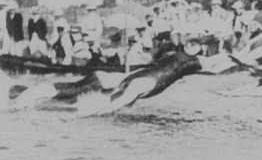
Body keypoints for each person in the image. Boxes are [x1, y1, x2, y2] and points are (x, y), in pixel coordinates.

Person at [11, 40, 241, 112]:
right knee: (68, 94)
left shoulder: (173, 61)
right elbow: (115, 105)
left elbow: (210, 66)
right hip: (106, 81)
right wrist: (83, 119)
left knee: (69, 95)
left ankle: (23, 95)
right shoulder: (147, 82)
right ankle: (24, 97)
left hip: (108, 79)